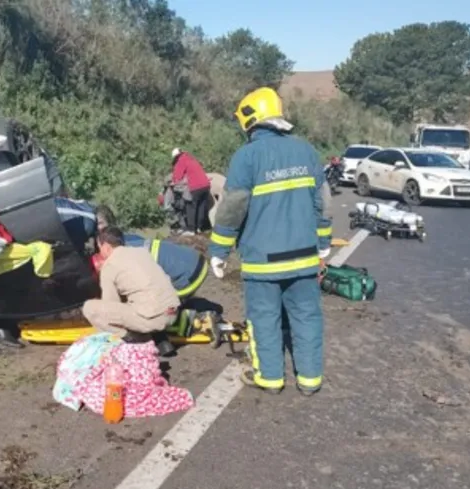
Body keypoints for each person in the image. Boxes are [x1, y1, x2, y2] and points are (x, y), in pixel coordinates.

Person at [207, 86, 332, 396]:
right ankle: (310, 379)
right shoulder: (305, 150)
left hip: (263, 260)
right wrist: (324, 244)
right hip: (304, 257)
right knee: (306, 317)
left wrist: (219, 250)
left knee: (264, 318)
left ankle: (271, 378)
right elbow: (323, 203)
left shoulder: (247, 157)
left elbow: (233, 207)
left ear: (249, 119)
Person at [82, 227, 180, 341]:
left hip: (152, 319)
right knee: (139, 301)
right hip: (173, 312)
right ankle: (159, 338)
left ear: (106, 247)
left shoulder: (109, 266)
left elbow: (110, 305)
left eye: (99, 248)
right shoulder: (142, 252)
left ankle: (132, 340)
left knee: (89, 308)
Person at [92, 205, 208, 301]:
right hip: (193, 260)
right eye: (95, 223)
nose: (97, 227)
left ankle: (189, 320)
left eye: (100, 223)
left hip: (186, 274)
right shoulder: (127, 237)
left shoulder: (118, 250)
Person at [171, 148, 213, 235]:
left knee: (190, 207)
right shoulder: (191, 159)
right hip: (206, 186)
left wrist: (174, 182)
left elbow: (177, 177)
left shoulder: (181, 161)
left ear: (176, 157)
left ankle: (190, 229)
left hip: (196, 187)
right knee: (201, 207)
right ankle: (198, 227)